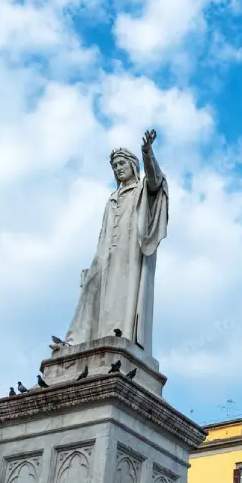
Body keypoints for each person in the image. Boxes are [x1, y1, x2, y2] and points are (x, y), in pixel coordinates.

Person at [63, 131, 168, 354]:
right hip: (106, 255)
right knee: (92, 289)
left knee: (122, 296)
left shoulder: (141, 189)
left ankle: (118, 336)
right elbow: (103, 234)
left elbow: (155, 180)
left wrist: (148, 154)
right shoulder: (112, 198)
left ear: (132, 165)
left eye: (122, 164)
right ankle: (77, 341)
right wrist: (95, 263)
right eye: (115, 166)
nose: (118, 168)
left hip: (130, 252)